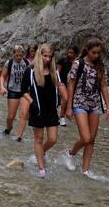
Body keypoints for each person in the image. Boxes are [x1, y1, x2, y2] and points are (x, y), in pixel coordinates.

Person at [63, 38, 109, 178]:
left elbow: (103, 86)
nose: (96, 55)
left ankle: (85, 170)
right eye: (93, 52)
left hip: (95, 104)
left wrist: (108, 107)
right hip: (79, 103)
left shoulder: (100, 65)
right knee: (85, 138)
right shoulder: (78, 64)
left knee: (92, 139)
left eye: (98, 53)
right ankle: (71, 154)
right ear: (87, 50)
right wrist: (68, 107)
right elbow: (71, 85)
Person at [21, 44, 68, 177]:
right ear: (39, 55)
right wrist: (32, 102)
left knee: (53, 139)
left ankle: (40, 153)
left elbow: (60, 86)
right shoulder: (30, 70)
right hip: (38, 109)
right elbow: (23, 90)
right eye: (45, 56)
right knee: (39, 139)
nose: (47, 59)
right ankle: (41, 169)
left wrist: (67, 101)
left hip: (51, 109)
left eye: (49, 56)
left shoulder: (55, 71)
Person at [0, 45, 30, 136]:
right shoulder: (9, 63)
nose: (19, 57)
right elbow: (2, 76)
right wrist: (2, 86)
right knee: (11, 116)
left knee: (24, 114)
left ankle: (19, 137)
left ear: (23, 54)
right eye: (17, 55)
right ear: (13, 54)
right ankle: (8, 128)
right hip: (13, 91)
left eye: (21, 55)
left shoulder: (27, 62)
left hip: (25, 91)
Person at [56, 45, 79, 126]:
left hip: (72, 85)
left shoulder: (78, 62)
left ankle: (62, 115)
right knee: (66, 99)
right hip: (62, 83)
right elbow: (57, 72)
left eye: (72, 53)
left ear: (76, 53)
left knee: (68, 100)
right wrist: (58, 82)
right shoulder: (62, 60)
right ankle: (62, 117)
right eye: (68, 52)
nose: (69, 54)